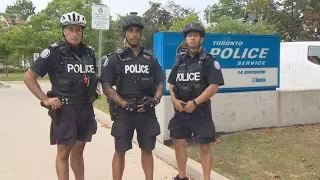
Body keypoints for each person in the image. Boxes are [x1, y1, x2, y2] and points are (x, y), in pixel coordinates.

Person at [24, 11, 99, 180]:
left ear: (82, 31)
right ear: (64, 31)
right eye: (70, 29)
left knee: (79, 149)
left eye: (78, 30)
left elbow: (91, 77)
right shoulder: (53, 53)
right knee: (64, 151)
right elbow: (29, 77)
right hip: (65, 110)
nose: (74, 33)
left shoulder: (89, 53)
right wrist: (45, 99)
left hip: (86, 108)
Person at [99, 12, 165, 180]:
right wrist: (122, 103)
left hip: (146, 110)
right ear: (125, 34)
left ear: (141, 34)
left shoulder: (150, 58)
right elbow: (106, 86)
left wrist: (155, 100)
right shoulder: (115, 58)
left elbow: (160, 82)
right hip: (124, 111)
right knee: (120, 150)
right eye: (131, 31)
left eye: (137, 30)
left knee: (147, 149)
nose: (134, 34)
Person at [167, 22, 225, 180]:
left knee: (204, 145)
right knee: (178, 141)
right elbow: (172, 84)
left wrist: (195, 103)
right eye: (189, 35)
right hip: (181, 108)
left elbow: (213, 87)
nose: (192, 38)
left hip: (200, 110)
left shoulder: (209, 60)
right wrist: (174, 100)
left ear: (201, 38)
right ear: (186, 39)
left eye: (195, 35)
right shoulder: (179, 59)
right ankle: (182, 176)